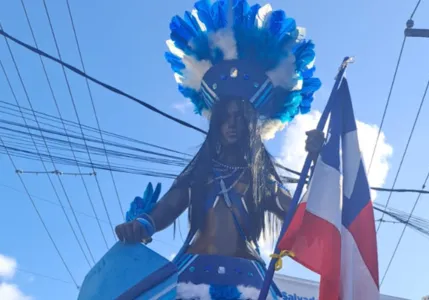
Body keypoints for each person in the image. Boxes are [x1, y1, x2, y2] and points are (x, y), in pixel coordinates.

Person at [115, 0, 324, 298]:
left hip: (250, 281)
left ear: (252, 128)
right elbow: (170, 206)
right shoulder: (198, 174)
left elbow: (298, 220)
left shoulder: (260, 182)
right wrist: (142, 225)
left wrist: (318, 165)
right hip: (190, 276)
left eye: (240, 119)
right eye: (226, 118)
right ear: (216, 125)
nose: (232, 125)